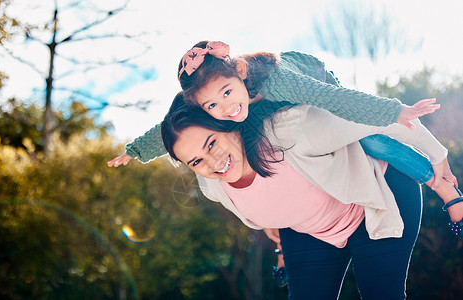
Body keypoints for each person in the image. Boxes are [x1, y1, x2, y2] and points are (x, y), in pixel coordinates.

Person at [160, 92, 463, 299]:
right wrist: (270, 222)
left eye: (211, 144)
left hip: (377, 197)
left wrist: (437, 156)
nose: (212, 164)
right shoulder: (212, 185)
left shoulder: (291, 131)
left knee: (381, 292)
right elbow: (256, 207)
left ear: (227, 125)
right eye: (195, 162)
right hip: (312, 231)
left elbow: (380, 116)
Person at [108, 41, 456, 211]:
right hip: (274, 116)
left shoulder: (278, 80)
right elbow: (172, 126)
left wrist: (395, 111)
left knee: (370, 141)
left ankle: (441, 184)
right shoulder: (214, 108)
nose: (225, 108)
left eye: (228, 93)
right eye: (212, 105)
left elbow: (338, 100)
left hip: (316, 83)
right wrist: (134, 151)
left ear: (240, 74)